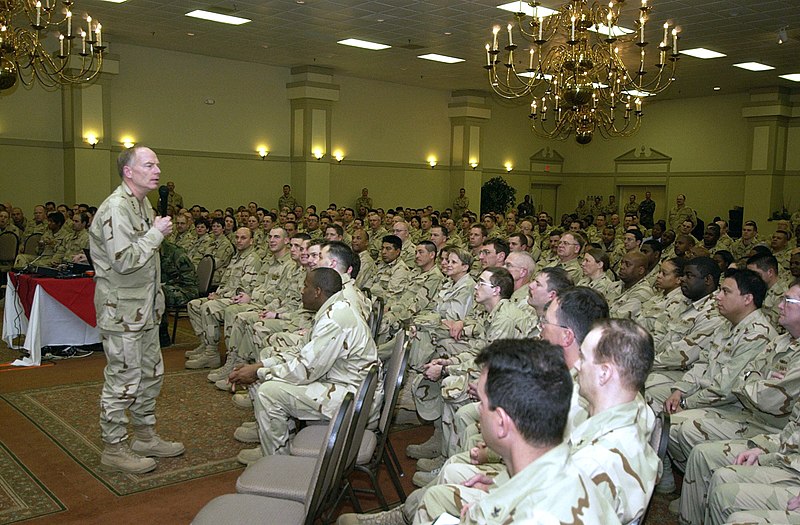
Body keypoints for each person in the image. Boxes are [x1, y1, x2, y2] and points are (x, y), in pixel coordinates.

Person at [412, 339, 619, 525]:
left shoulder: (526, 516)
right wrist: (498, 485)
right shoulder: (573, 472)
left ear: (501, 423)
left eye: (482, 403)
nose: (479, 411)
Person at [89, 146, 184, 474]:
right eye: (149, 164)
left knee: (150, 374)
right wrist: (156, 234)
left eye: (157, 163)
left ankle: (144, 435)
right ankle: (113, 448)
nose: (157, 169)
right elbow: (124, 260)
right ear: (129, 171)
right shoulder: (117, 207)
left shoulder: (140, 203)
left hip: (143, 308)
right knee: (123, 378)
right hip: (122, 311)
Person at [228, 267, 379, 463]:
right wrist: (261, 365)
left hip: (354, 399)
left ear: (317, 292)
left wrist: (259, 373)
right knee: (270, 381)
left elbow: (304, 371)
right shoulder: (334, 308)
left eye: (305, 286)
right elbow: (301, 350)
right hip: (347, 388)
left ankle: (276, 467)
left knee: (269, 393)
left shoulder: (335, 318)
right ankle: (281, 448)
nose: (301, 290)